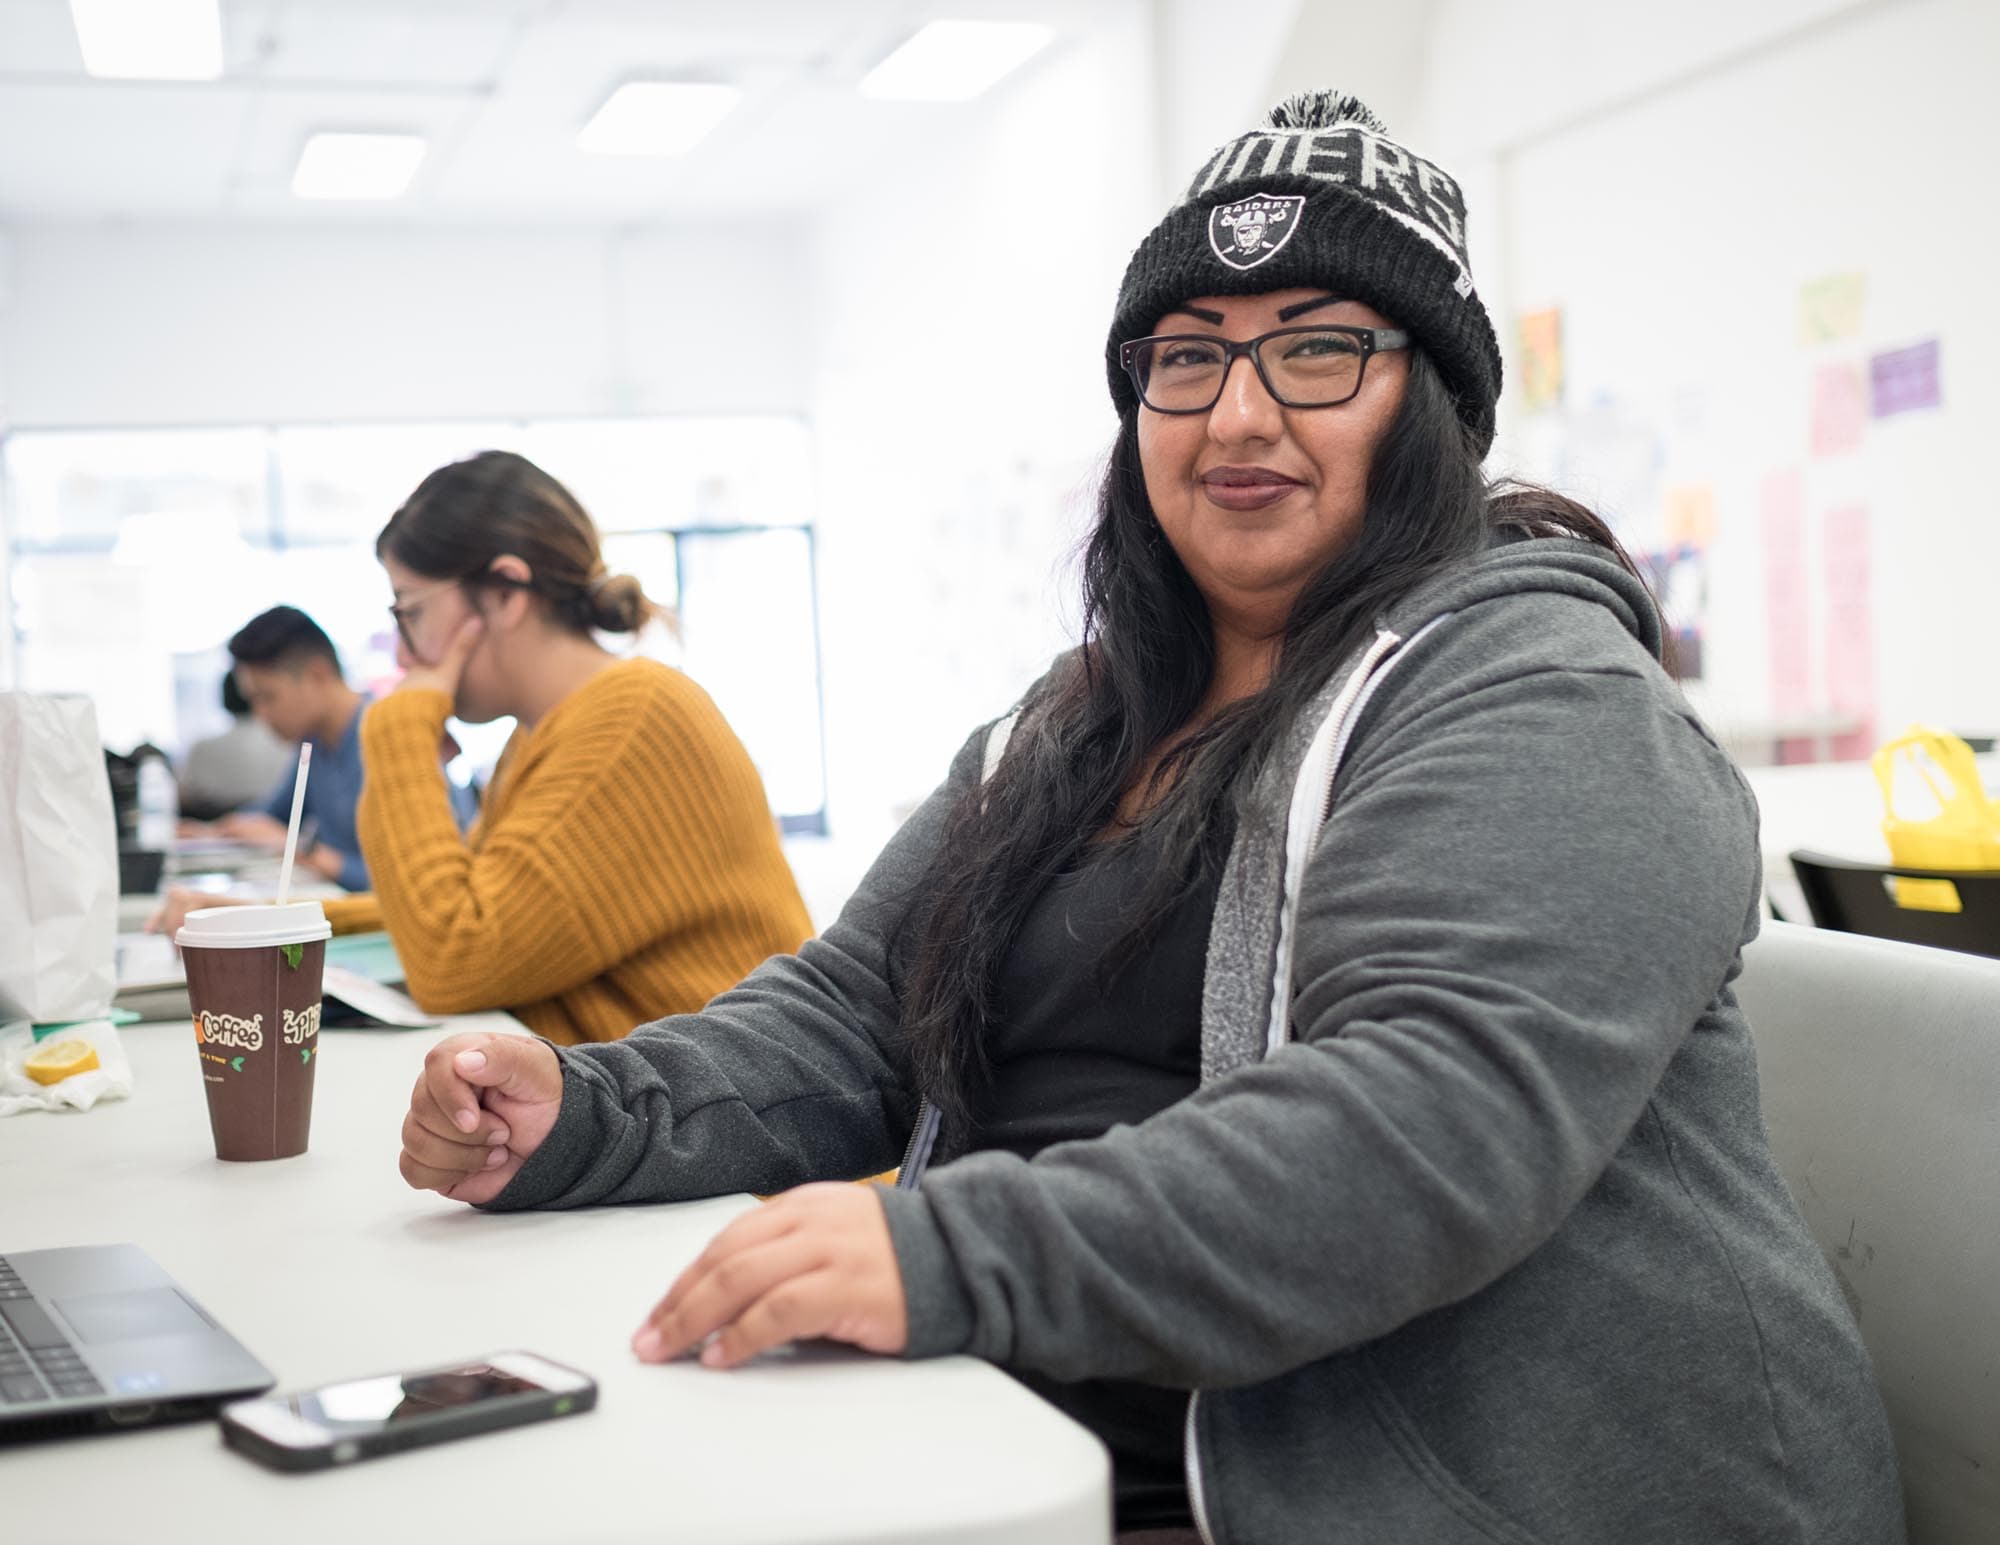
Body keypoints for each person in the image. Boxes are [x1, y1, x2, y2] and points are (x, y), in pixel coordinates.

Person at [392, 93, 1904, 1543]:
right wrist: (591, 1108)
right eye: (1185, 359)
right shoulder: (1083, 714)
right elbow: (853, 1013)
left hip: (1443, 1494)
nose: (1237, 414)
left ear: (1432, 403)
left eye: (1319, 352)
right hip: (1048, 1430)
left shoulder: (1544, 695)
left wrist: (948, 1252)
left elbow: (1427, 1126)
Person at [160, 451, 813, 1046]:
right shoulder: (547, 730)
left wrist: (398, 728)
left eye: (410, 611)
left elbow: (452, 958)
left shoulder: (633, 720)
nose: (406, 651)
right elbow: (468, 906)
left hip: (756, 1155)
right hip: (667, 1119)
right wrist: (273, 918)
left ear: (504, 591)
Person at [176, 607, 383, 888]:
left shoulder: (386, 742)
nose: (261, 715)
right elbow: (270, 815)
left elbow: (405, 883)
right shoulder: (315, 742)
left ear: (317, 676)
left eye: (268, 697)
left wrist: (302, 850)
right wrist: (213, 833)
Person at [174, 669, 304, 823]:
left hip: (241, 830)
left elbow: (182, 797)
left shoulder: (202, 747)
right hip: (260, 829)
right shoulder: (288, 747)